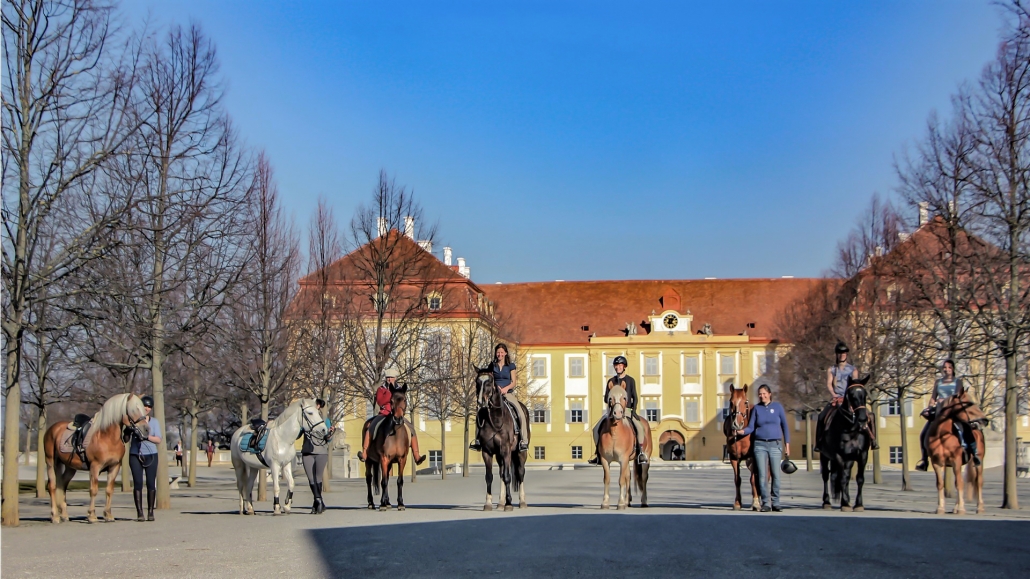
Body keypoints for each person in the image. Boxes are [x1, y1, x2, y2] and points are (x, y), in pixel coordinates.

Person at [916, 359, 985, 471]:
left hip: (953, 411)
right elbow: (934, 397)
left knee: (967, 428)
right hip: (939, 412)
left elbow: (956, 397)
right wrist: (930, 406)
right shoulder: (938, 382)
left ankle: (975, 454)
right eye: (945, 367)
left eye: (949, 367)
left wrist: (943, 400)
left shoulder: (958, 382)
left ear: (953, 369)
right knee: (924, 433)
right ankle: (924, 460)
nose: (946, 369)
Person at [736, 384, 790, 512]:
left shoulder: (777, 407)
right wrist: (742, 431)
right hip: (760, 445)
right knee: (762, 475)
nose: (762, 396)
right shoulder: (757, 409)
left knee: (776, 475)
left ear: (769, 394)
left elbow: (785, 426)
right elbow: (751, 427)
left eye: (764, 393)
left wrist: (787, 444)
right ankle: (765, 502)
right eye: (760, 394)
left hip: (775, 444)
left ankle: (776, 502)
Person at [587, 355, 649, 466]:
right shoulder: (611, 381)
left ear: (624, 366)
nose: (618, 367)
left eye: (620, 365)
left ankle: (641, 452)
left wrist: (633, 410)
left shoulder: (630, 380)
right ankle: (598, 454)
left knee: (639, 427)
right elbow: (606, 397)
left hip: (627, 410)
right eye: (616, 365)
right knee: (596, 428)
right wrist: (612, 402)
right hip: (613, 410)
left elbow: (634, 396)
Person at [358, 367, 426, 465]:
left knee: (411, 429)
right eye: (387, 377)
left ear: (395, 378)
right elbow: (380, 401)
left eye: (391, 377)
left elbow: (402, 402)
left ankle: (416, 455)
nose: (389, 379)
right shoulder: (381, 389)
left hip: (397, 414)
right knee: (370, 427)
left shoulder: (400, 389)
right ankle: (365, 452)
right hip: (384, 414)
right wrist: (391, 394)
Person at [470, 344, 530, 452]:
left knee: (520, 411)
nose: (500, 354)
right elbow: (489, 379)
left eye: (502, 352)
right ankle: (478, 440)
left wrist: (505, 389)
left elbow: (514, 382)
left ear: (505, 353)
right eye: (498, 352)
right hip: (494, 394)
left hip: (507, 393)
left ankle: (524, 440)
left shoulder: (511, 366)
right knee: (480, 411)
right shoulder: (492, 366)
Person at [817, 342, 877, 449]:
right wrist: (834, 394)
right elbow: (829, 384)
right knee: (822, 416)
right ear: (836, 354)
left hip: (850, 399)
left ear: (846, 354)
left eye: (844, 353)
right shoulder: (832, 369)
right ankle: (819, 442)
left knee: (869, 416)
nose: (842, 355)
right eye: (840, 353)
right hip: (837, 398)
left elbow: (855, 384)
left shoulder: (853, 370)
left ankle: (873, 440)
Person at [130, 395, 162, 522]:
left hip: (151, 454)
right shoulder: (134, 420)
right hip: (135, 455)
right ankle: (139, 512)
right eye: (145, 406)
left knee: (150, 483)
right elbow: (126, 439)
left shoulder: (154, 422)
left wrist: (146, 437)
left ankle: (150, 512)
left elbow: (158, 439)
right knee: (138, 483)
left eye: (149, 407)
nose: (147, 408)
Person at [300, 398, 335, 514]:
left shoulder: (325, 420)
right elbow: (298, 433)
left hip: (321, 451)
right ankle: (319, 501)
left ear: (319, 406)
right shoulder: (305, 418)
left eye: (317, 404)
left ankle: (317, 503)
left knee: (318, 478)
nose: (316, 406)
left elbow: (329, 439)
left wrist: (330, 434)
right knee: (311, 479)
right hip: (307, 451)